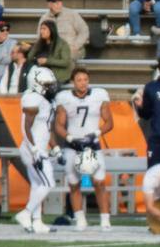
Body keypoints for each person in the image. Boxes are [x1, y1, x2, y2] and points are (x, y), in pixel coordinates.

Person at [54, 65, 115, 231]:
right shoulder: (64, 97)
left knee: (99, 182)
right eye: (79, 80)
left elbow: (110, 122)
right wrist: (70, 137)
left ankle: (105, 219)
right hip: (72, 146)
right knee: (74, 184)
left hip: (93, 145)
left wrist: (95, 133)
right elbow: (58, 125)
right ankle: (80, 218)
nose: (83, 83)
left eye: (85, 80)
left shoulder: (99, 95)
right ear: (73, 82)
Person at [15, 64, 61, 234]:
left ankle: (37, 221)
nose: (52, 87)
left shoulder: (47, 101)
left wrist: (56, 149)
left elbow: (48, 128)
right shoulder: (32, 99)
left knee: (37, 185)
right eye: (48, 84)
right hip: (32, 149)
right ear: (36, 84)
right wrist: (34, 150)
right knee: (48, 183)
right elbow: (25, 128)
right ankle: (26, 213)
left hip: (39, 148)